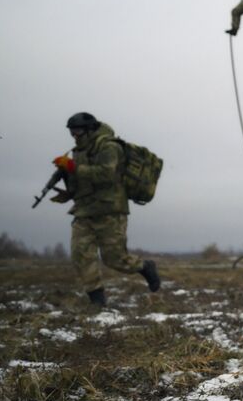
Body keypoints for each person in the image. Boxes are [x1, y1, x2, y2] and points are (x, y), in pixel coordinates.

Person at [53, 112, 162, 308]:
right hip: (84, 211)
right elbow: (82, 181)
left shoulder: (110, 146)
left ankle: (145, 267)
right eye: (71, 132)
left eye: (77, 131)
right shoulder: (78, 151)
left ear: (90, 129)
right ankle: (97, 299)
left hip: (110, 211)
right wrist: (68, 187)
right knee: (81, 255)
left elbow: (106, 175)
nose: (75, 136)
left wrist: (72, 166)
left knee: (115, 259)